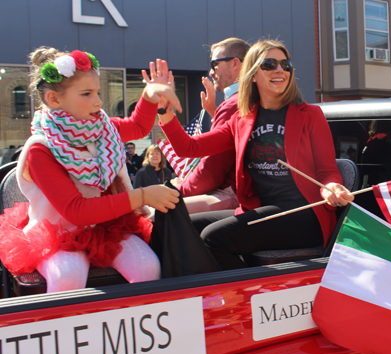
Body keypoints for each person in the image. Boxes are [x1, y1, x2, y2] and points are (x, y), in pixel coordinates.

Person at [159, 39, 354, 270]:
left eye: (285, 64)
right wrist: (164, 110)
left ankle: (247, 297)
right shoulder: (241, 119)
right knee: (183, 226)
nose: (280, 69)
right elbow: (188, 148)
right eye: (269, 64)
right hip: (261, 210)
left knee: (214, 237)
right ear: (251, 74)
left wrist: (332, 187)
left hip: (304, 214)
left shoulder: (310, 114)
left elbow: (327, 171)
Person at [0, 47, 181, 293]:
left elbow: (138, 127)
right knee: (67, 276)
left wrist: (149, 95)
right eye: (87, 93)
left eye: (97, 92)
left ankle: (129, 328)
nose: (98, 101)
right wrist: (144, 196)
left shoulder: (102, 127)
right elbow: (76, 211)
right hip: (58, 235)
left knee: (148, 267)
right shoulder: (40, 149)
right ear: (54, 99)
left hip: (107, 228)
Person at [166, 38, 250, 214]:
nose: (211, 72)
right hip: (244, 195)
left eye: (215, 64)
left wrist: (179, 190)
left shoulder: (234, 104)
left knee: (153, 213)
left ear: (235, 63)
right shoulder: (249, 99)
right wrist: (214, 112)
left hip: (234, 196)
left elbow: (212, 171)